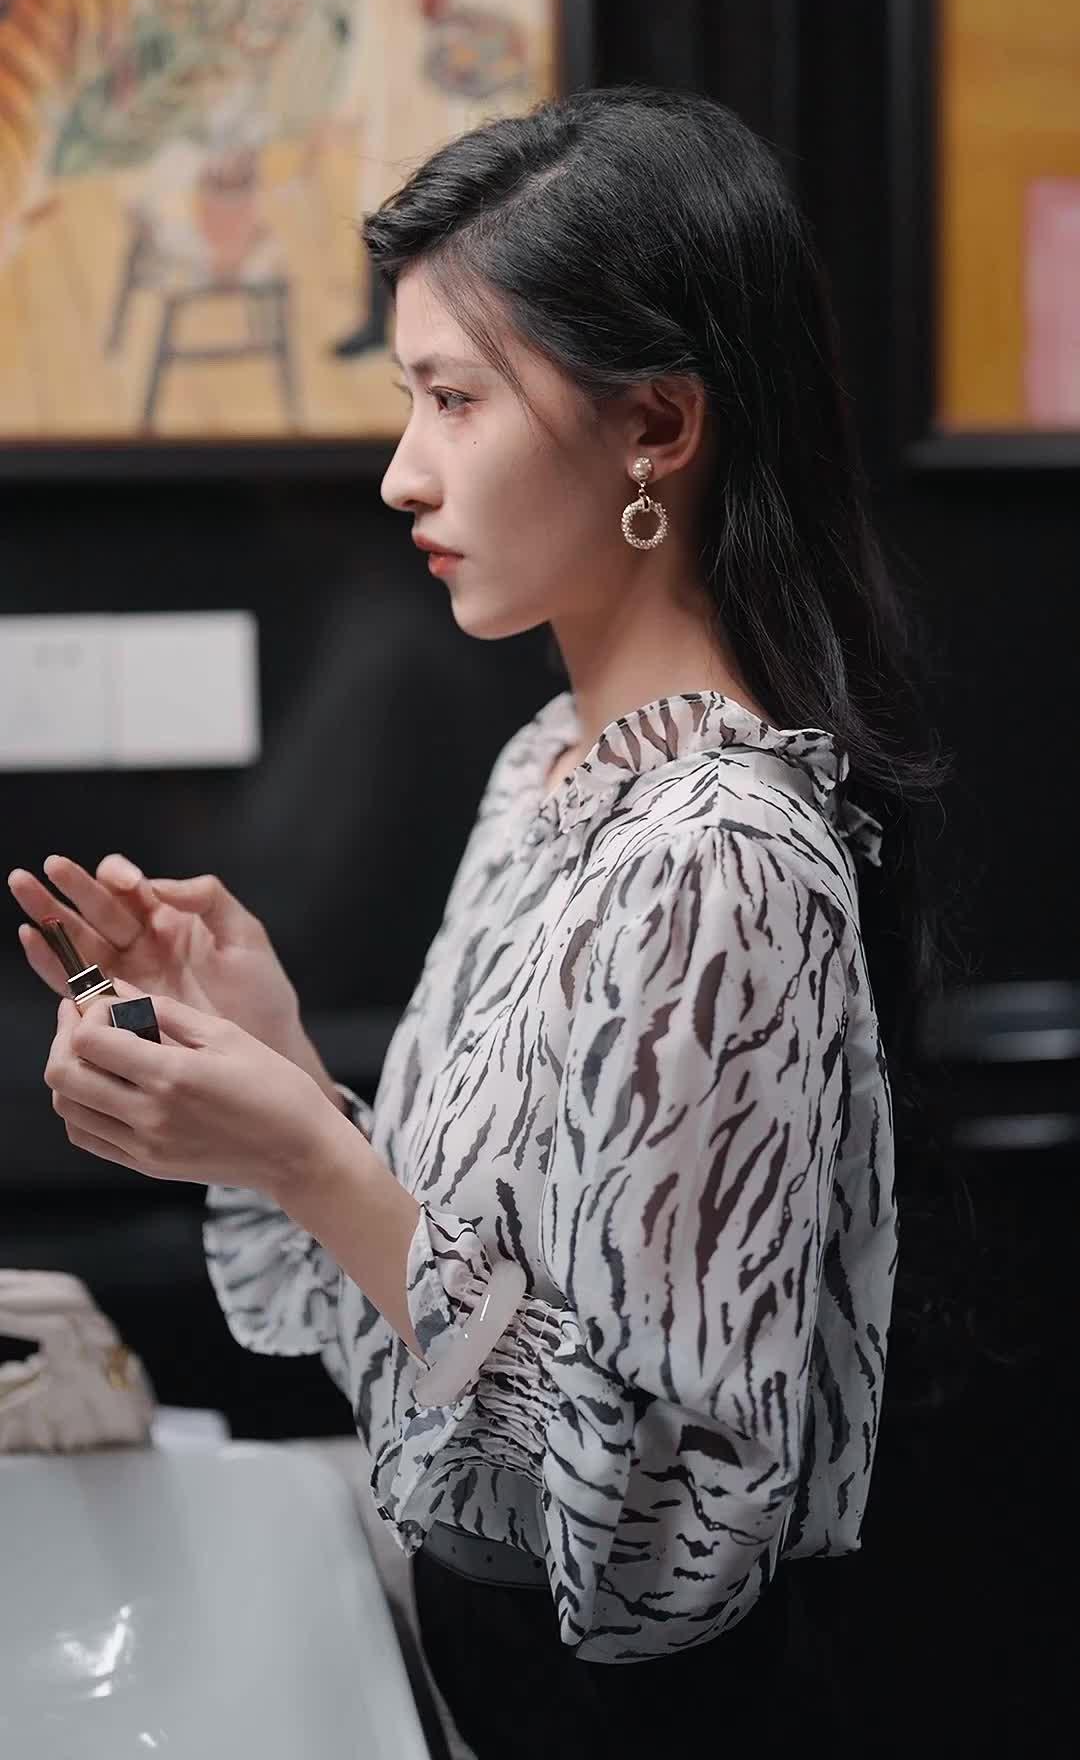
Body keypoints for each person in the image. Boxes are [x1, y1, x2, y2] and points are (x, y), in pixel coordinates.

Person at [13, 87, 945, 1756]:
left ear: (656, 425)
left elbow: (663, 1555)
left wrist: (311, 1159)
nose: (401, 471)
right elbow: (437, 1327)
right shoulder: (550, 768)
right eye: (409, 399)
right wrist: (275, 1070)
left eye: (453, 399)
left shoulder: (723, 856)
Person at [327, 0, 548, 357]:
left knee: (472, 214)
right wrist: (348, 110)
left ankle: (479, 326)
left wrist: (503, 53)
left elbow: (532, 36)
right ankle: (376, 322)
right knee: (386, 208)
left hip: (470, 113)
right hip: (400, 113)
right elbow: (364, 53)